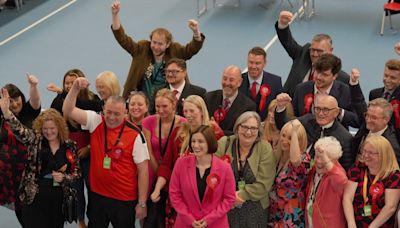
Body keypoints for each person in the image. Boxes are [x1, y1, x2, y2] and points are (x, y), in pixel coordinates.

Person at [63, 77, 150, 228]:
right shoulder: (95, 121)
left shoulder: (136, 134)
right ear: (103, 110)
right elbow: (68, 110)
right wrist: (75, 89)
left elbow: (143, 171)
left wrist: (142, 203)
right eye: (108, 112)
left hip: (124, 199)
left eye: (117, 114)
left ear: (125, 112)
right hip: (97, 196)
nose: (111, 117)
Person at [0, 88, 80, 228]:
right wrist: (7, 113)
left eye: (52, 128)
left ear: (60, 127)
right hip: (34, 197)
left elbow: (77, 172)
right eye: (45, 129)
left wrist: (64, 178)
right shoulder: (34, 140)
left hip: (58, 198)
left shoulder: (70, 146)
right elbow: (19, 129)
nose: (49, 132)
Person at [150, 95, 223, 227]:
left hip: (206, 198)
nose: (188, 115)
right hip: (180, 199)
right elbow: (166, 165)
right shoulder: (178, 132)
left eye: (192, 111)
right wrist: (157, 188)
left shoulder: (215, 133)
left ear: (201, 111)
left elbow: (222, 167)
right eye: (185, 111)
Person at [111, 0, 205, 103]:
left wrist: (196, 32)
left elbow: (191, 49)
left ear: (168, 44)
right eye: (154, 42)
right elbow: (123, 39)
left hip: (168, 103)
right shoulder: (141, 49)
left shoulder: (175, 51)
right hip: (142, 102)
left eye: (160, 44)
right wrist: (115, 15)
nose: (155, 47)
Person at [47, 68, 102, 228]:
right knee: (76, 191)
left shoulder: (93, 99)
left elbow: (99, 128)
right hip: (70, 155)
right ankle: (81, 222)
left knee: (94, 190)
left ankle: (95, 220)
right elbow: (54, 130)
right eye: (67, 84)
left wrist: (89, 147)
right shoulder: (58, 102)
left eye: (74, 83)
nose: (70, 86)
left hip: (92, 153)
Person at [216, 111, 276, 227]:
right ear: (238, 127)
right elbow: (213, 175)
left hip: (254, 209)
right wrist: (228, 197)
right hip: (225, 206)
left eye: (253, 128)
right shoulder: (224, 143)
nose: (248, 132)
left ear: (258, 130)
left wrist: (239, 196)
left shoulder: (264, 148)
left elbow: (264, 184)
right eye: (245, 127)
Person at [169, 125, 235, 228]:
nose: (195, 145)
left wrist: (209, 219)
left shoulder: (225, 168)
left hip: (215, 224)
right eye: (193, 141)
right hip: (185, 224)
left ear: (210, 142)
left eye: (200, 141)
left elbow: (229, 199)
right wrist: (189, 218)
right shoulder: (181, 163)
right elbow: (174, 194)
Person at [275, 10, 350, 97]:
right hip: (289, 103)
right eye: (312, 50)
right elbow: (288, 43)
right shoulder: (303, 54)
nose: (314, 54)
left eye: (319, 51)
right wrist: (283, 25)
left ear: (330, 50)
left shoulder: (342, 78)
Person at [0, 74, 41, 227]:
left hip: (29, 175)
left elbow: (35, 102)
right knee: (21, 211)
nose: (15, 103)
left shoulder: (28, 113)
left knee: (34, 211)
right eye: (10, 101)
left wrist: (34, 86)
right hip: (9, 179)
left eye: (17, 99)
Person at [141, 88, 185, 228]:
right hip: (152, 171)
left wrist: (167, 175)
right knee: (150, 215)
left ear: (174, 104)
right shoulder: (148, 121)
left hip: (174, 174)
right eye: (157, 106)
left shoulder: (184, 124)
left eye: (164, 106)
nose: (160, 110)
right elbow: (148, 150)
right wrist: (158, 171)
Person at [275, 94, 354, 170]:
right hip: (298, 172)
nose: (320, 113)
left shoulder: (345, 138)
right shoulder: (308, 120)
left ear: (336, 112)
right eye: (317, 109)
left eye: (326, 110)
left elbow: (345, 170)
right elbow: (284, 125)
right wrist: (281, 107)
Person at [343, 136, 400, 228]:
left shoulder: (393, 176)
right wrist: (351, 223)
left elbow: (390, 207)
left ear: (383, 155)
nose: (365, 155)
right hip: (355, 223)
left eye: (370, 153)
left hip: (380, 225)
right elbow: (347, 198)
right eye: (364, 151)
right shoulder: (358, 168)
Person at [290, 53, 359, 128]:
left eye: (324, 75)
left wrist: (338, 112)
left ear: (334, 76)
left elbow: (357, 121)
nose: (318, 77)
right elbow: (293, 117)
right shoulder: (301, 89)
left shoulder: (345, 91)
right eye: (317, 72)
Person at [269, 119, 309, 227]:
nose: (285, 140)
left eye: (290, 138)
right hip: (274, 212)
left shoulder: (304, 158)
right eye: (283, 135)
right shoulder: (278, 156)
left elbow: (295, 161)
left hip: (290, 216)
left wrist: (295, 132)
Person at [305, 136, 348, 228]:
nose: (318, 161)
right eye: (317, 156)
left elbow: (341, 179)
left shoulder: (337, 177)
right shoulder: (315, 171)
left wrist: (325, 156)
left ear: (334, 160)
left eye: (323, 158)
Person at [204, 65, 256, 135]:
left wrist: (221, 132)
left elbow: (243, 133)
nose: (227, 83)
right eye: (225, 79)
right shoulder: (208, 98)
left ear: (239, 82)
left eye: (231, 80)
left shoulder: (248, 106)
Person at [239, 46, 282, 120]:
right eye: (251, 62)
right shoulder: (238, 80)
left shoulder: (275, 82)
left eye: (257, 63)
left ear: (264, 63)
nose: (253, 66)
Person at [369, 59, 400, 142]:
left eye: (393, 78)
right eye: (386, 75)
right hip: (375, 140)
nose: (387, 80)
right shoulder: (374, 93)